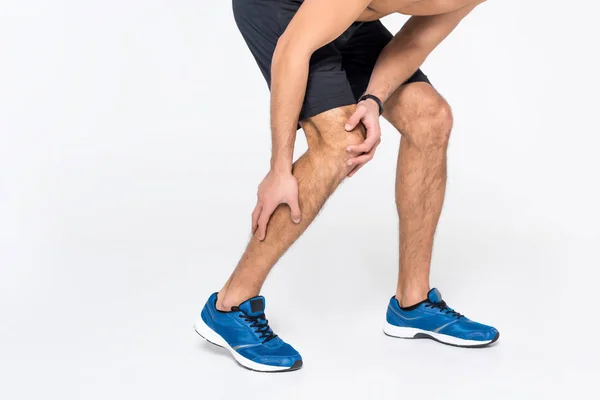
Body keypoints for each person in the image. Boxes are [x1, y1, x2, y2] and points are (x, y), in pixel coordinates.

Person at [195, 0, 499, 372]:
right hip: (281, 10)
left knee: (430, 117)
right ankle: (230, 305)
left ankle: (413, 304)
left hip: (345, 18)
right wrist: (279, 168)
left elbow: (414, 42)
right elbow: (294, 48)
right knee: (339, 143)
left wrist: (373, 99)